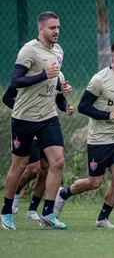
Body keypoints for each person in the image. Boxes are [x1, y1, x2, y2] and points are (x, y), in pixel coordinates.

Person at [53, 39, 114, 228]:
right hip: (98, 140)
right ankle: (63, 193)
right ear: (113, 55)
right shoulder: (99, 79)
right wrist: (107, 114)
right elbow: (83, 106)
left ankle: (102, 219)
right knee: (95, 182)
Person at [1, 11, 72, 230]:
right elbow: (15, 81)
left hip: (48, 116)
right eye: (52, 28)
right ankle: (5, 211)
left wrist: (61, 89)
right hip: (24, 117)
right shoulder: (29, 50)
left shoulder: (58, 51)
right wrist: (44, 75)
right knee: (20, 165)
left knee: (57, 161)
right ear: (41, 29)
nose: (56, 31)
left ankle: (48, 214)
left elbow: (53, 82)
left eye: (58, 27)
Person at [2, 73, 74, 221]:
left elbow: (59, 99)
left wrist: (65, 106)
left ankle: (33, 210)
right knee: (32, 168)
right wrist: (25, 111)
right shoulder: (29, 72)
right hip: (27, 125)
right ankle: (14, 195)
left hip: (46, 126)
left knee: (46, 167)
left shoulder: (58, 74)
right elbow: (7, 98)